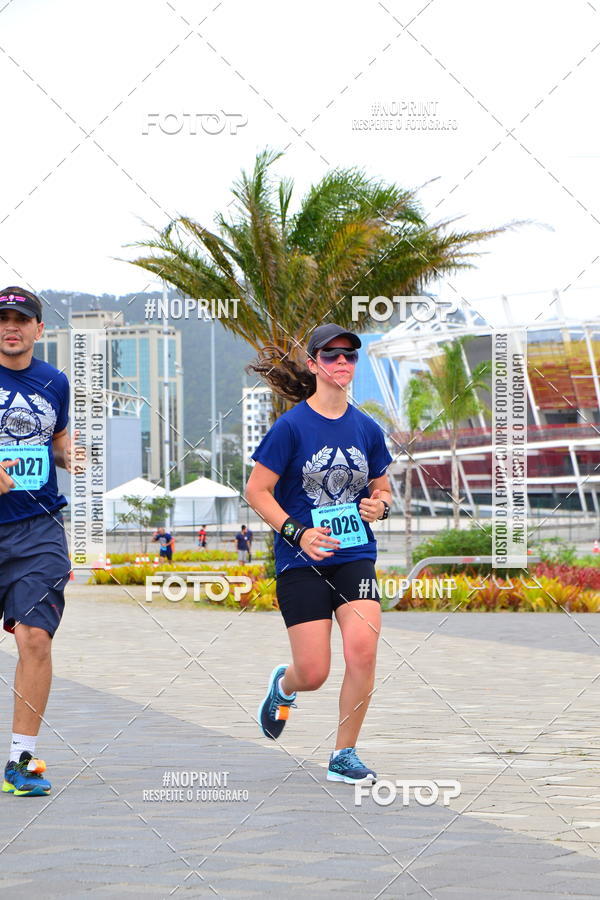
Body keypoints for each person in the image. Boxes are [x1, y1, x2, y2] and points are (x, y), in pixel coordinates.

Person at [246, 324, 393, 785]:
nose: (342, 363)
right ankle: (284, 688)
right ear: (313, 365)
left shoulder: (366, 428)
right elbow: (257, 490)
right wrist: (298, 532)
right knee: (313, 671)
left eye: (350, 355)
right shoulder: (290, 427)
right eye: (331, 356)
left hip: (353, 556)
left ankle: (344, 753)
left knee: (362, 650)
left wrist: (380, 506)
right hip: (301, 562)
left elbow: (383, 488)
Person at [0, 286, 77, 797]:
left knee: (35, 638)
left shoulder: (54, 381)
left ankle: (20, 759)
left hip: (39, 526)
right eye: (3, 319)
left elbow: (57, 439)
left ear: (39, 329)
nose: (12, 327)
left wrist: (72, 455)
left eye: (22, 319)